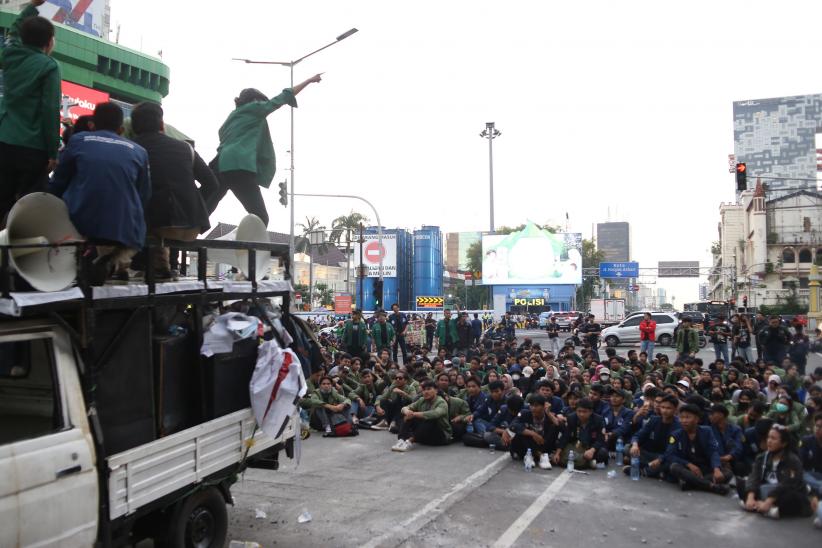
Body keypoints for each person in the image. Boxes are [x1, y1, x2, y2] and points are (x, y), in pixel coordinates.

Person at [49, 102, 151, 284]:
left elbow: (59, 182)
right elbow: (144, 194)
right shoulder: (140, 151)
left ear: (92, 125)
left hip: (82, 220)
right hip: (126, 227)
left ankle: (91, 259)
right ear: (121, 129)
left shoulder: (78, 140)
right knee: (133, 230)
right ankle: (112, 260)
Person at [205, 74, 322, 226]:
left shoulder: (231, 117)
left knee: (206, 208)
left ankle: (182, 237)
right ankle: (248, 248)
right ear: (254, 100)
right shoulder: (254, 108)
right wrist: (308, 80)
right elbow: (282, 98)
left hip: (220, 165)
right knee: (260, 218)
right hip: (239, 167)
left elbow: (221, 134)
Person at [129, 102, 218, 279]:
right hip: (191, 228)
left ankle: (141, 269)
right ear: (162, 125)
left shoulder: (131, 148)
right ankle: (167, 266)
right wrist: (194, 207)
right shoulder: (186, 148)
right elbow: (212, 184)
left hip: (154, 226)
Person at [0, 0, 60, 224]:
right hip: (32, 148)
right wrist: (53, 151)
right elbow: (50, 109)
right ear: (48, 42)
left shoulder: (10, 54)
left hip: (4, 139)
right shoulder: (49, 66)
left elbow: (14, 29)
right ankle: (16, 255)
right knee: (27, 206)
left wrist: (31, 6)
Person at [741, 424, 813, 519]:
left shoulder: (793, 460)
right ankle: (762, 506)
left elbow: (787, 484)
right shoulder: (762, 457)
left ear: (783, 443)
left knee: (791, 497)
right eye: (768, 437)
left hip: (782, 493)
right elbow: (754, 476)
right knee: (743, 483)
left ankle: (765, 506)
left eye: (773, 439)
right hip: (766, 490)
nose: (769, 441)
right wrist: (750, 497)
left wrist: (768, 501)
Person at [664, 403, 731, 494]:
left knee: (727, 472)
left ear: (697, 419)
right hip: (686, 469)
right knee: (674, 467)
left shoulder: (707, 431)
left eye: (687, 417)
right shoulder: (676, 435)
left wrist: (716, 469)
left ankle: (691, 483)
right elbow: (669, 455)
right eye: (681, 417)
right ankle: (711, 486)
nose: (684, 421)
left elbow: (713, 451)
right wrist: (689, 464)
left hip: (704, 467)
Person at [391, 380, 451, 452]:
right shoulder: (422, 400)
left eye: (429, 389)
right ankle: (401, 440)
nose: (426, 392)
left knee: (430, 419)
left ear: (436, 391)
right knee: (408, 416)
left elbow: (435, 414)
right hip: (424, 435)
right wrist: (407, 412)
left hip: (441, 436)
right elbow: (405, 408)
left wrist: (414, 414)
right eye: (424, 390)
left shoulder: (441, 402)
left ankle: (409, 442)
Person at [629, 394, 680, 478]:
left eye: (668, 408)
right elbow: (638, 435)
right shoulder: (654, 420)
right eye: (663, 407)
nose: (665, 411)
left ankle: (644, 470)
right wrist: (635, 444)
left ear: (675, 410)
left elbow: (672, 450)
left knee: (673, 462)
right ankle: (657, 472)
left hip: (665, 456)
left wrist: (660, 459)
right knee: (628, 448)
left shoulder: (678, 425)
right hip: (650, 454)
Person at [509, 395, 562, 469]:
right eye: (531, 405)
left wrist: (548, 412)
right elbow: (513, 426)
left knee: (553, 428)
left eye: (536, 406)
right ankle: (537, 455)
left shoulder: (549, 416)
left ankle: (540, 455)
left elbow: (559, 426)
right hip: (527, 446)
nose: (533, 408)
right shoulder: (525, 413)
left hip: (543, 445)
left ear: (544, 406)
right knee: (523, 432)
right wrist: (533, 434)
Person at [557, 397, 608, 469]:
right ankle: (587, 462)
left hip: (591, 445)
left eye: (584, 412)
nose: (581, 414)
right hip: (576, 445)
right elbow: (565, 436)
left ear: (590, 411)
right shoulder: (571, 418)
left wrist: (592, 450)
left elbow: (600, 439)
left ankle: (584, 461)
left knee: (603, 453)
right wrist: (557, 453)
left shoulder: (598, 420)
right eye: (579, 411)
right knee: (561, 449)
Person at [708, 403, 747, 478]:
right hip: (716, 460)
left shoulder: (736, 429)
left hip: (732, 459)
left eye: (712, 414)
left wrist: (729, 457)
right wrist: (720, 459)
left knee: (740, 466)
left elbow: (738, 446)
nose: (710, 416)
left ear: (721, 415)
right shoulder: (709, 430)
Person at [800, 412, 822, 498]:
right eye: (816, 426)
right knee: (802, 475)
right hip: (808, 474)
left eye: (820, 427)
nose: (817, 429)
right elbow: (800, 464)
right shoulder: (806, 441)